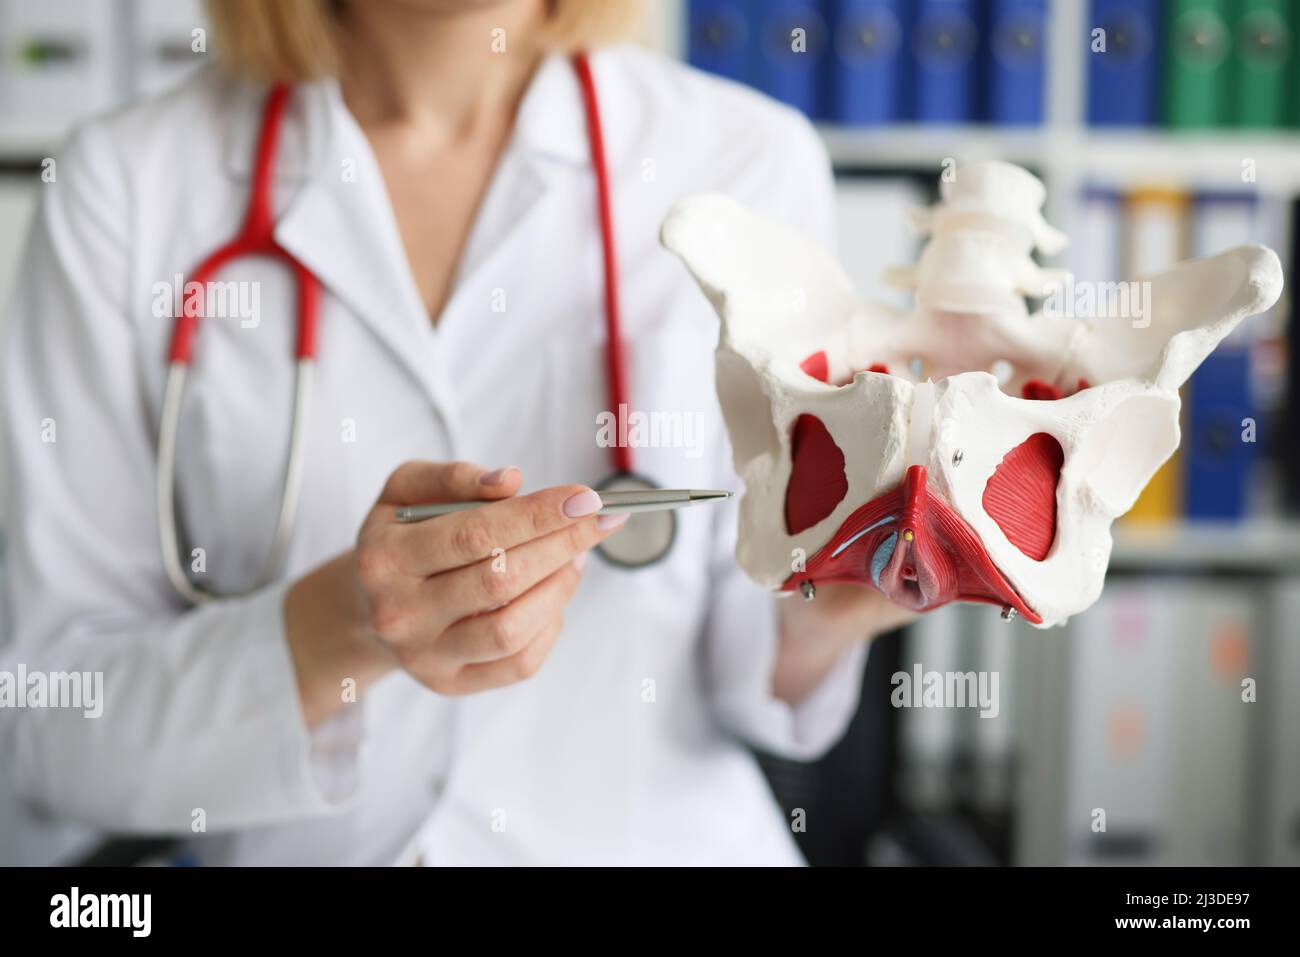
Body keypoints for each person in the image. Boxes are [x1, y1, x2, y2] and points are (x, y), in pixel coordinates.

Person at [1, 0, 912, 865]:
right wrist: (340, 630)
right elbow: (52, 729)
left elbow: (754, 674)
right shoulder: (125, 190)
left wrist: (835, 603)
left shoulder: (747, 162)